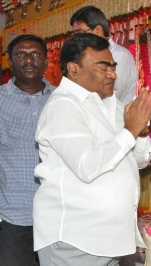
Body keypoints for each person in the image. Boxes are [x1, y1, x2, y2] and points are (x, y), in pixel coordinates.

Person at [33, 33, 151, 266]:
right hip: (76, 238)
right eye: (103, 67)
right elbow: (87, 165)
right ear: (73, 69)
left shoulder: (111, 102)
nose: (112, 74)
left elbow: (138, 161)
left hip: (110, 238)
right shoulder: (63, 106)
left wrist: (140, 133)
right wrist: (129, 131)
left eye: (113, 66)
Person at [0, 34, 56, 266]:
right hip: (13, 214)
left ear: (45, 61)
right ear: (11, 62)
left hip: (58, 213)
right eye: (21, 54)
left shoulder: (63, 100)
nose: (29, 60)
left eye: (35, 54)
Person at [70, 5, 137, 105]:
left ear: (98, 30)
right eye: (74, 35)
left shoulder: (120, 56)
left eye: (80, 33)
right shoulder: (85, 58)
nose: (76, 39)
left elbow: (110, 99)